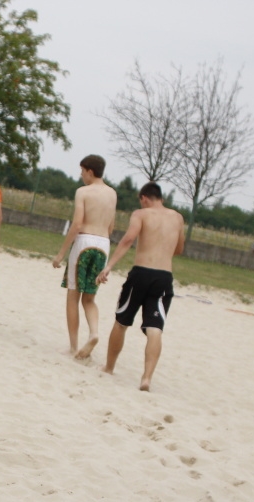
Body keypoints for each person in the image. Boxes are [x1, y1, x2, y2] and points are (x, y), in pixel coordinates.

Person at [99, 181, 184, 391]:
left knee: (122, 321)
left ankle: (109, 367)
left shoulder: (141, 214)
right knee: (155, 329)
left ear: (144, 198)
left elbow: (128, 239)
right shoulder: (177, 217)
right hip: (164, 276)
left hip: (141, 273)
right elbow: (179, 249)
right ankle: (146, 378)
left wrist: (109, 266)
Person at [52, 156, 117, 359]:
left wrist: (62, 253)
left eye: (82, 171)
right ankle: (94, 332)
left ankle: (73, 346)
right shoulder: (112, 194)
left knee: (73, 295)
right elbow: (111, 226)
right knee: (89, 298)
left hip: (84, 242)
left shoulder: (83, 192)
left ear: (90, 171)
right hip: (103, 244)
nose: (81, 175)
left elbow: (77, 223)